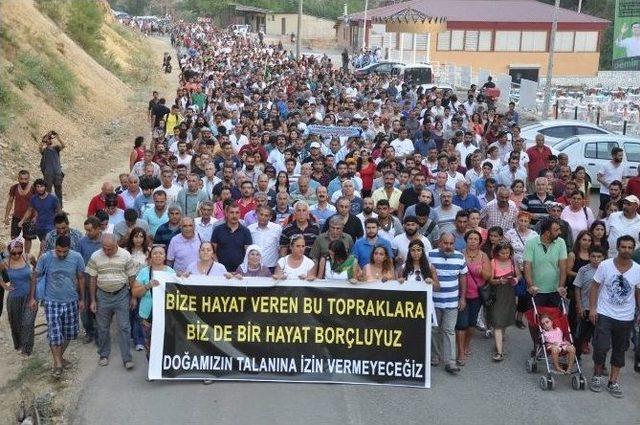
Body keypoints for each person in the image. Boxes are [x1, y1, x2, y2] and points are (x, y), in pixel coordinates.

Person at [588, 235, 640, 397]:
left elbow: (638, 291)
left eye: (630, 247)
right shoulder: (605, 265)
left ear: (633, 249)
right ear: (617, 248)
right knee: (601, 347)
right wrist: (592, 308)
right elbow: (595, 287)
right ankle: (597, 375)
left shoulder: (638, 269)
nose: (626, 250)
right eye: (623, 247)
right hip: (604, 313)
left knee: (619, 350)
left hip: (626, 317)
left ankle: (613, 381)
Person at [29, 235, 85, 379]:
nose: (61, 254)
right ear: (55, 248)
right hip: (51, 301)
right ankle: (58, 364)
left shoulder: (77, 257)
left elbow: (80, 278)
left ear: (69, 249)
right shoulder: (46, 258)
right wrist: (32, 298)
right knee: (54, 334)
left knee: (69, 334)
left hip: (71, 300)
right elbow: (35, 276)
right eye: (59, 251)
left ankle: (58, 357)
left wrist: (82, 299)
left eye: (64, 252)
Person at [86, 234, 138, 370]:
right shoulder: (96, 256)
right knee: (102, 327)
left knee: (124, 327)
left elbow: (132, 277)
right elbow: (92, 279)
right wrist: (93, 300)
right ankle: (103, 355)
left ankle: (127, 358)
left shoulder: (126, 256)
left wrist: (133, 297)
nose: (106, 251)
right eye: (104, 248)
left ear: (116, 245)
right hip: (102, 296)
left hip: (121, 295)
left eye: (109, 249)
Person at [428, 233, 467, 374]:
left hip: (452, 301)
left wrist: (462, 298)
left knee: (449, 330)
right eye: (445, 243)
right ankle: (434, 357)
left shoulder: (459, 257)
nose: (448, 246)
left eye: (451, 243)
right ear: (439, 243)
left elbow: (463, 277)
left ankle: (450, 361)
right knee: (433, 330)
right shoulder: (429, 255)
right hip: (433, 302)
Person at [131, 244, 175, 358]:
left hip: (166, 315)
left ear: (165, 256)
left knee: (165, 344)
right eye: (155, 253)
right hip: (147, 315)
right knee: (149, 345)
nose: (158, 256)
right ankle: (152, 371)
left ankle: (163, 372)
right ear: (150, 256)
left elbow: (177, 293)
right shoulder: (144, 272)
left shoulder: (171, 272)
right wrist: (147, 286)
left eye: (161, 253)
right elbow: (135, 292)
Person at [456, 230, 491, 365]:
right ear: (466, 240)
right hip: (461, 294)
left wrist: (481, 271)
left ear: (479, 241)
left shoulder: (483, 256)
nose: (472, 241)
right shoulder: (460, 254)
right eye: (470, 239)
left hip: (477, 295)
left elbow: (489, 276)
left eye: (475, 239)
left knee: (471, 323)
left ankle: (466, 344)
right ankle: (460, 352)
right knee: (461, 323)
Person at [2, 239, 37, 356]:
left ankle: (27, 349)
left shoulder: (28, 257)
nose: (17, 255)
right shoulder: (6, 262)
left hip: (30, 296)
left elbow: (36, 267)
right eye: (14, 253)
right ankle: (21, 344)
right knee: (16, 323)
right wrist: (5, 287)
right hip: (14, 298)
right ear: (9, 252)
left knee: (28, 322)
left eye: (19, 252)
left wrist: (36, 276)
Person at [487, 240, 519, 362]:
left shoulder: (512, 261)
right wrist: (499, 281)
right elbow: (490, 280)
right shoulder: (493, 262)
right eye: (502, 253)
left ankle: (498, 341)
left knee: (504, 319)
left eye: (507, 252)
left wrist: (515, 279)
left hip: (509, 293)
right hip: (497, 293)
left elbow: (519, 275)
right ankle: (499, 352)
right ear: (497, 253)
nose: (505, 255)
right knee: (498, 321)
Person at [573, 245, 606, 360]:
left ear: (604, 257)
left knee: (600, 339)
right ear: (589, 256)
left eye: (599, 257)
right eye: (593, 256)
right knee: (580, 335)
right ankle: (576, 358)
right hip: (586, 307)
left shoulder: (607, 270)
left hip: (602, 310)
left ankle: (600, 362)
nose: (596, 259)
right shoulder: (583, 270)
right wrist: (580, 306)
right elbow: (577, 288)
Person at [125, 227, 149, 352]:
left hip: (143, 287)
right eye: (136, 236)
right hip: (128, 286)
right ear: (131, 238)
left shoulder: (148, 252)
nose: (138, 239)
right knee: (130, 312)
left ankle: (139, 340)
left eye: (141, 236)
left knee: (139, 314)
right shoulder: (126, 252)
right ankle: (131, 335)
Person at [211, 204, 252, 272]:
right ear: (226, 214)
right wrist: (218, 267)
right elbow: (213, 252)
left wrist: (242, 269)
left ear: (240, 214)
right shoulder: (217, 230)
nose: (234, 215)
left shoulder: (246, 231)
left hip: (240, 272)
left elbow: (248, 253)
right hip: (221, 272)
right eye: (231, 212)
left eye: (237, 212)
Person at [4, 170, 35, 254]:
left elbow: (37, 204)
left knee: (28, 238)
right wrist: (6, 216)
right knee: (14, 237)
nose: (23, 181)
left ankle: (26, 256)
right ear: (18, 178)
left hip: (29, 217)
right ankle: (15, 255)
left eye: (25, 179)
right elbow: (10, 202)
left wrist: (36, 217)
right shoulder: (14, 188)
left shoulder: (33, 189)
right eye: (21, 179)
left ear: (29, 179)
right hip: (16, 216)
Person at [597, 147, 627, 217]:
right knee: (604, 212)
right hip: (605, 193)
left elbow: (624, 178)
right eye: (619, 156)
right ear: (613, 156)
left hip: (617, 193)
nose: (621, 157)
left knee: (616, 211)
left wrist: (622, 186)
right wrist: (608, 185)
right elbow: (598, 177)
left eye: (622, 155)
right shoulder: (606, 165)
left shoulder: (623, 166)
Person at [39, 130, 65, 205]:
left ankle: (59, 208)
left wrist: (57, 137)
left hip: (57, 173)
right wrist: (45, 138)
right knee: (47, 191)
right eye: (48, 139)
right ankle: (48, 207)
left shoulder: (56, 148)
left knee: (58, 191)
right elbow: (40, 147)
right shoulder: (44, 150)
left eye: (50, 139)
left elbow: (63, 145)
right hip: (48, 174)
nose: (49, 140)